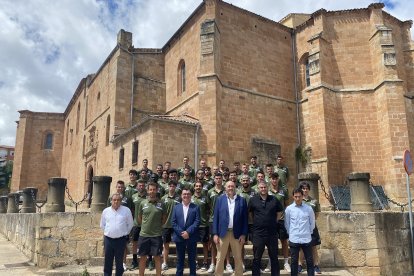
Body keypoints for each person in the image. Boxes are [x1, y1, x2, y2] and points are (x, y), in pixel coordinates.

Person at [212, 181, 248, 276]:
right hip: (223, 233)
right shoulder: (220, 200)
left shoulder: (242, 200)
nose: (230, 188)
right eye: (228, 186)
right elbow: (215, 217)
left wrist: (243, 234)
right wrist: (215, 233)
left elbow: (245, 219)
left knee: (238, 258)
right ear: (225, 188)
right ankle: (218, 274)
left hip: (237, 234)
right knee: (220, 258)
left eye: (232, 186)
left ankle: (238, 274)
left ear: (235, 187)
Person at [248, 181, 283, 276]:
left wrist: (274, 221)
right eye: (261, 187)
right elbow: (250, 213)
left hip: (271, 233)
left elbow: (279, 212)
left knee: (274, 257)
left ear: (267, 188)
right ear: (258, 189)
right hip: (258, 233)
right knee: (256, 257)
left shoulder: (274, 199)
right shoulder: (253, 200)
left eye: (264, 187)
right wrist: (257, 221)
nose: (263, 189)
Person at [137, 182, 167, 276]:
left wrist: (156, 226)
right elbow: (140, 218)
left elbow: (164, 218)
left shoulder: (161, 204)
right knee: (142, 258)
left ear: (157, 190)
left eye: (154, 189)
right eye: (150, 189)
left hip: (156, 235)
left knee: (157, 258)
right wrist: (146, 226)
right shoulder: (143, 203)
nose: (152, 191)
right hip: (144, 235)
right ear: (147, 190)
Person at [100, 193, 133, 276]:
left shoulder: (126, 210)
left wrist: (125, 232)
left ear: (121, 201)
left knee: (119, 262)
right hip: (108, 240)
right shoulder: (106, 211)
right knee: (108, 261)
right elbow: (102, 225)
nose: (116, 201)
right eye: (114, 200)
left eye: (118, 200)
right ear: (111, 201)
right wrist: (109, 232)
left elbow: (130, 224)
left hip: (120, 240)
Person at [285, 188, 315, 276]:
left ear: (302, 196)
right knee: (294, 261)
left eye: (299, 196)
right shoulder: (289, 209)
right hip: (294, 238)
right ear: (293, 197)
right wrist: (290, 234)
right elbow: (287, 224)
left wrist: (308, 233)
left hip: (306, 238)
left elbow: (312, 223)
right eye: (296, 197)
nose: (297, 198)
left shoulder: (308, 208)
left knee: (309, 261)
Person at [171, 188, 201, 276]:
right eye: (184, 194)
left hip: (191, 237)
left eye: (188, 194)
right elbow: (173, 222)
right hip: (179, 238)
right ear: (181, 196)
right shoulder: (176, 207)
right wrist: (182, 233)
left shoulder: (195, 207)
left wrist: (188, 232)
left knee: (192, 259)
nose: (186, 196)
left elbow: (197, 221)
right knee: (180, 260)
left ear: (191, 196)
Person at [268, 173, 291, 273]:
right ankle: (270, 262)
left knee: (284, 241)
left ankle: (286, 262)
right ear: (270, 180)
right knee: (270, 243)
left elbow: (286, 205)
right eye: (273, 179)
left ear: (278, 180)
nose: (274, 180)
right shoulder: (267, 191)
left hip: (281, 220)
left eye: (276, 179)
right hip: (270, 221)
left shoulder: (283, 191)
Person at [299, 182, 322, 274]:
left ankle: (315, 265)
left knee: (313, 246)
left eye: (306, 188)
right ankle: (300, 265)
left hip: (312, 227)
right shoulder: (299, 200)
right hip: (301, 227)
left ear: (309, 189)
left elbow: (316, 214)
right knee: (301, 247)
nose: (305, 190)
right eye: (303, 188)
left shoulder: (314, 201)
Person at [161, 180, 181, 271]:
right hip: (166, 225)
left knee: (178, 244)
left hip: (177, 225)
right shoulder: (163, 198)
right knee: (166, 245)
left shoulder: (179, 198)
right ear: (168, 187)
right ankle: (165, 262)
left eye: (174, 186)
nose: (172, 187)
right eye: (170, 186)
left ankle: (179, 262)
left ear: (176, 187)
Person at [130, 180, 147, 270]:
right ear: (137, 187)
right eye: (140, 185)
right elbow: (131, 209)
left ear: (145, 187)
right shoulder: (133, 197)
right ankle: (134, 260)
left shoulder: (148, 197)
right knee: (135, 243)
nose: (141, 187)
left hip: (146, 225)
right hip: (136, 224)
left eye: (143, 185)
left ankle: (150, 260)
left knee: (147, 243)